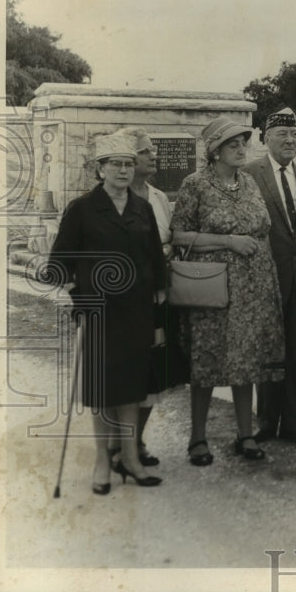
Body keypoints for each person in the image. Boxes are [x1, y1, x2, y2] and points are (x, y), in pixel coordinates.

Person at [48, 134, 166, 493]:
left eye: (129, 164)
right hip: (98, 313)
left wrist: (159, 321)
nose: (123, 170)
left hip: (137, 313)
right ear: (100, 169)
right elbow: (58, 265)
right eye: (115, 163)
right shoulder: (82, 209)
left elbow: (157, 267)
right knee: (102, 391)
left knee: (132, 388)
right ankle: (103, 461)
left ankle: (129, 458)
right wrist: (80, 300)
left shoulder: (142, 208)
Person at [171, 117, 286, 465]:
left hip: (255, 288)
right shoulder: (196, 185)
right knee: (207, 361)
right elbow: (179, 235)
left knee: (246, 360)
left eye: (243, 143)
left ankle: (245, 435)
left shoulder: (248, 182)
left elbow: (261, 227)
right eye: (233, 144)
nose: (241, 150)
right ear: (215, 151)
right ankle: (197, 438)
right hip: (214, 288)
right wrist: (228, 242)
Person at [245, 107, 296, 445]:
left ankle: (293, 425)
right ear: (265, 140)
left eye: (294, 135)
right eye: (282, 135)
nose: (290, 141)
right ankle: (266, 423)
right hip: (265, 278)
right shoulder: (249, 175)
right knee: (268, 352)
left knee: (295, 352)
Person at [111, 126, 183, 468]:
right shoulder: (109, 198)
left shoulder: (157, 198)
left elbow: (169, 237)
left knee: (153, 372)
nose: (153, 156)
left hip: (156, 298)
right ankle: (116, 444)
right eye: (145, 151)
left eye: (153, 150)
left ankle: (136, 442)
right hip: (122, 303)